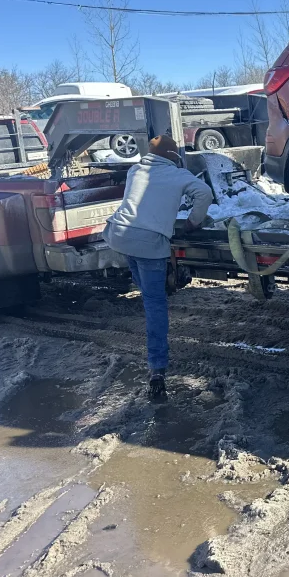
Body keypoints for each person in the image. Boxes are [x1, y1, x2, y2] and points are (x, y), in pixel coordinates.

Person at [103, 134, 213, 400]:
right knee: (155, 303)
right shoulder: (176, 174)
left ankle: (154, 287)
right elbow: (205, 193)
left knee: (147, 291)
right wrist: (193, 223)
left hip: (119, 235)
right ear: (172, 157)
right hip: (149, 241)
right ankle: (157, 369)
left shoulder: (135, 170)